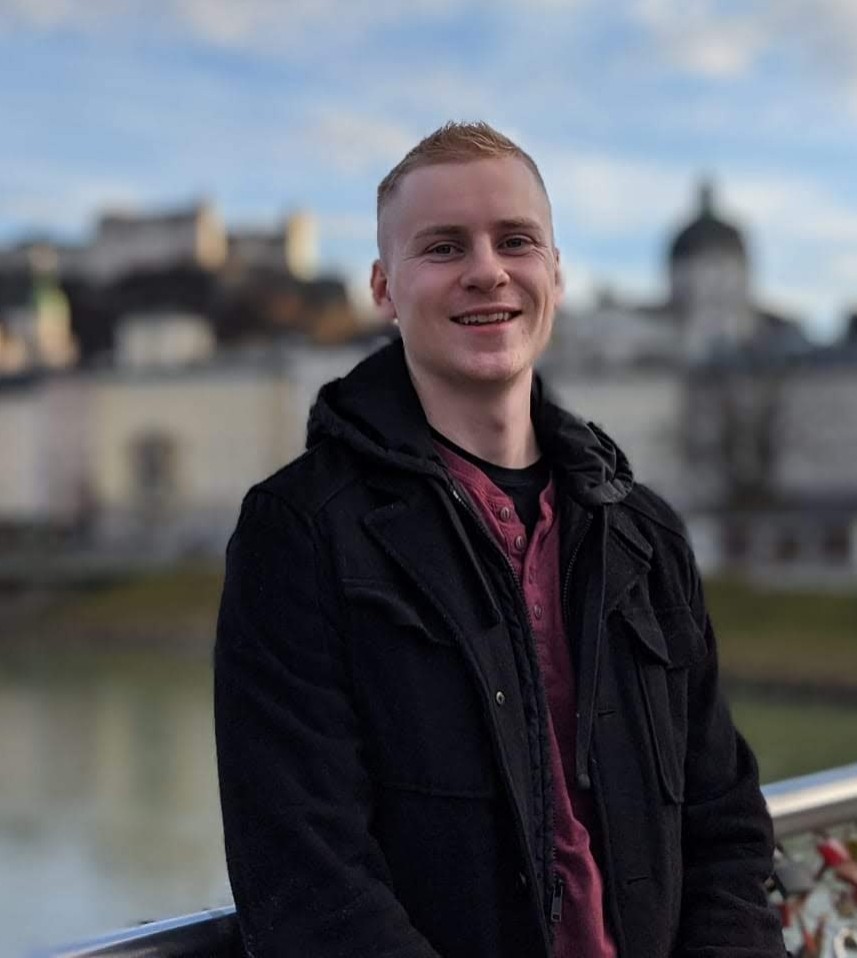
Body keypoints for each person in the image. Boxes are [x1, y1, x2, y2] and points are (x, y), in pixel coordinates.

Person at [215, 121, 785, 958]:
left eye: (515, 240)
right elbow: (308, 884)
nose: (487, 270)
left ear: (555, 272)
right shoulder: (300, 532)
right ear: (382, 287)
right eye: (443, 247)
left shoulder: (647, 534)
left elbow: (727, 828)